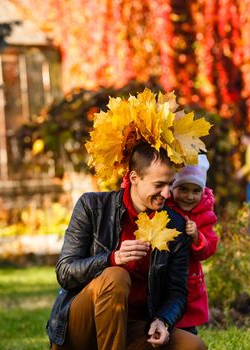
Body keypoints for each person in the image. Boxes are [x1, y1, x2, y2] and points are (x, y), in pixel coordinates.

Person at [46, 90, 210, 350]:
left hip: (132, 327)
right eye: (158, 185)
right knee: (115, 277)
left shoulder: (175, 224)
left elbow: (177, 292)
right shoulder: (92, 207)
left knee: (193, 346)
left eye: (170, 184)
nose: (167, 194)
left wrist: (163, 321)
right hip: (82, 329)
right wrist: (112, 258)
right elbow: (65, 273)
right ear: (134, 178)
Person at [165, 154, 219, 335]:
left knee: (186, 329)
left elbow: (209, 248)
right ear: (173, 187)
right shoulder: (165, 207)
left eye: (196, 191)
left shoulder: (205, 214)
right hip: (164, 277)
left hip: (189, 281)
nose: (189, 196)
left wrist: (197, 237)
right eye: (183, 189)